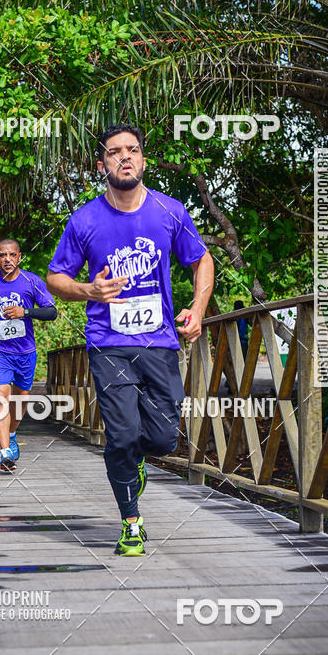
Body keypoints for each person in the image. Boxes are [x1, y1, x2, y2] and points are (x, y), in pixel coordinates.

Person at [47, 124, 214, 556]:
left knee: (163, 439)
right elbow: (55, 278)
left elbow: (202, 260)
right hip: (109, 343)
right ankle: (131, 522)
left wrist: (197, 309)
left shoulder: (169, 210)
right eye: (115, 152)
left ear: (142, 159)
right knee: (120, 438)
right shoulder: (85, 219)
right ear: (101, 163)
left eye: (133, 150)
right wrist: (90, 290)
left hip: (158, 343)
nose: (125, 157)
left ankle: (136, 462)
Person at [0, 239, 57, 472]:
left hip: (25, 352)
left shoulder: (32, 281)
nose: (7, 259)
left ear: (19, 257)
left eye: (12, 255)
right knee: (0, 396)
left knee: (20, 400)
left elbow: (52, 312)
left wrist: (25, 311)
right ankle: (5, 453)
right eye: (2, 255)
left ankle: (11, 432)